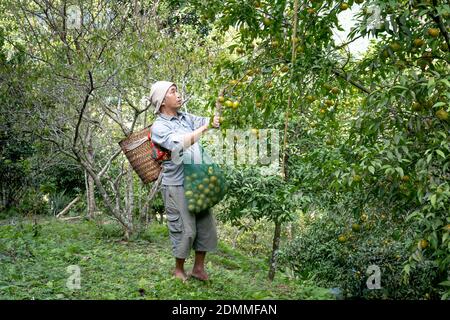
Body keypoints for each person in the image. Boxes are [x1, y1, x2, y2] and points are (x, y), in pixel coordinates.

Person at [149, 80, 220, 281]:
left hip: (197, 180)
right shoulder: (159, 127)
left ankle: (198, 268)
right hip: (177, 183)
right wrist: (206, 128)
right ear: (162, 101)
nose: (178, 94)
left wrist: (215, 118)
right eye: (173, 92)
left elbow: (205, 121)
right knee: (185, 229)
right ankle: (178, 269)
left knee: (205, 226)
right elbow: (179, 144)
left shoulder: (185, 118)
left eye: (177, 91)